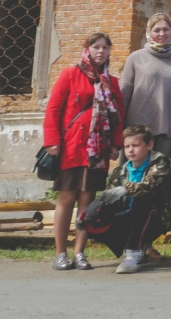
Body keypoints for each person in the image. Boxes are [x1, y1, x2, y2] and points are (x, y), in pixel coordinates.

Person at [43, 32, 125, 271]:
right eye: (96, 47)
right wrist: (51, 141)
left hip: (97, 151)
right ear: (87, 49)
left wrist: (116, 145)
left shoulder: (112, 82)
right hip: (71, 147)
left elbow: (118, 117)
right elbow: (53, 110)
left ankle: (79, 252)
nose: (100, 51)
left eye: (104, 48)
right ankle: (60, 253)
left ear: (109, 51)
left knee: (87, 202)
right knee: (67, 198)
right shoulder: (71, 74)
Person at [101, 125, 171, 274]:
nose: (130, 150)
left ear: (149, 145)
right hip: (127, 218)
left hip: (154, 218)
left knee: (141, 200)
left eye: (135, 145)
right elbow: (110, 195)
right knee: (94, 215)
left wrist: (124, 190)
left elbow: (147, 185)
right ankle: (131, 247)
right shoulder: (120, 170)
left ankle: (133, 253)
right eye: (127, 146)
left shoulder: (160, 162)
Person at [120, 12, 171, 160]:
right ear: (148, 33)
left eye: (165, 29)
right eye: (156, 30)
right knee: (132, 177)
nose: (161, 33)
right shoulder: (136, 57)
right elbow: (124, 93)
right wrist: (119, 127)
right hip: (137, 130)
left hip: (168, 129)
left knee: (160, 177)